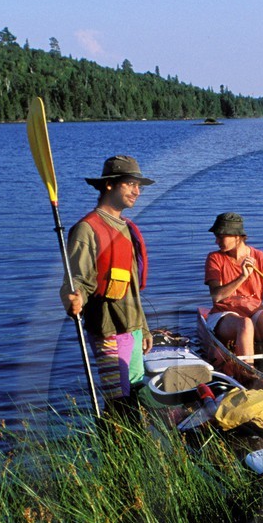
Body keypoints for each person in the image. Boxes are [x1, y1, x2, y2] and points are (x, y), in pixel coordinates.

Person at [61, 154, 154, 412]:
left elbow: (132, 286)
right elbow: (77, 279)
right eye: (130, 184)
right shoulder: (87, 229)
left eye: (139, 186)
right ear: (109, 185)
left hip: (133, 329)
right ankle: (114, 448)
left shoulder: (127, 228)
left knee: (136, 397)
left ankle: (136, 452)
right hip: (108, 330)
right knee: (118, 404)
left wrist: (143, 328)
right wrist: (74, 297)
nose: (137, 191)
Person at [203, 212, 263, 364]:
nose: (216, 241)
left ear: (237, 236)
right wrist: (242, 277)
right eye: (216, 236)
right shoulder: (215, 258)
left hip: (253, 313)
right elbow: (216, 296)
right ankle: (250, 376)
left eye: (221, 236)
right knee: (245, 324)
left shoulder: (260, 258)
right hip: (223, 316)